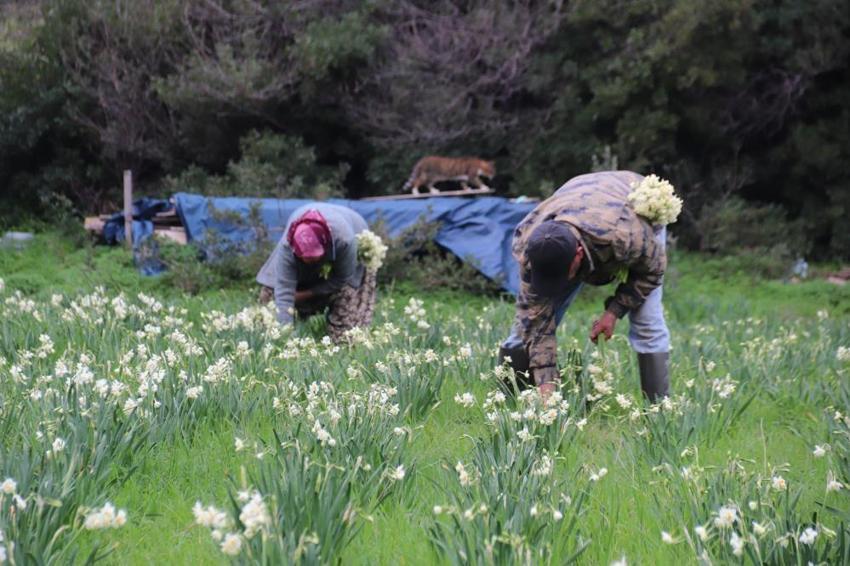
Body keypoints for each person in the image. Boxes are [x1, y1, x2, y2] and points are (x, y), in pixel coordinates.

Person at [499, 170, 670, 402]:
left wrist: (614, 312)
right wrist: (547, 389)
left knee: (647, 321)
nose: (555, 284)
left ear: (578, 255)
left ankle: (660, 412)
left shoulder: (627, 236)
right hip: (577, 197)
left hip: (633, 203)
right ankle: (511, 405)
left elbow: (651, 272)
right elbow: (537, 322)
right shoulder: (532, 248)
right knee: (525, 325)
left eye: (560, 276)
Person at [257, 203, 376, 342]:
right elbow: (283, 290)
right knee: (272, 290)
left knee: (347, 292)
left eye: (314, 257)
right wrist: (283, 335)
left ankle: (343, 339)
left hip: (354, 230)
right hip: (312, 230)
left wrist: (306, 294)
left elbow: (342, 279)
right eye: (305, 258)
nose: (309, 261)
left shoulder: (345, 240)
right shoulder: (287, 246)